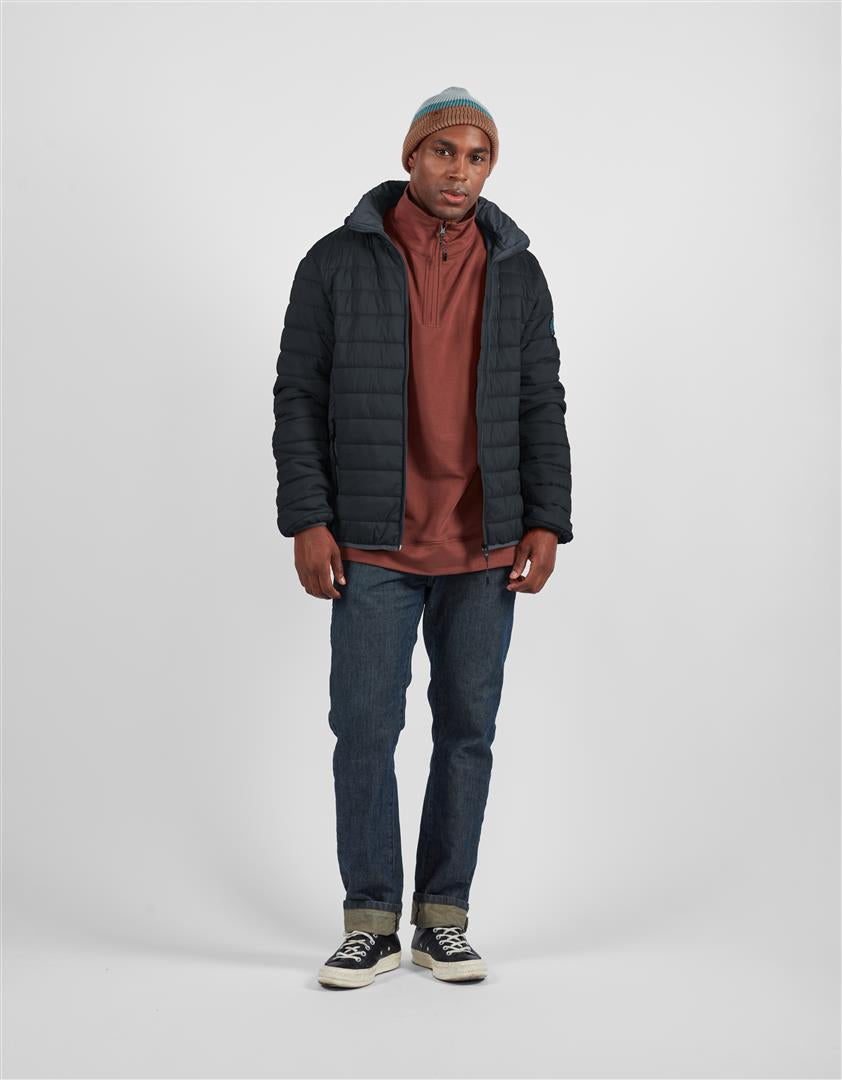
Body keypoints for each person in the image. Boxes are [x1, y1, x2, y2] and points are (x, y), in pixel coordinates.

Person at [272, 86, 573, 989]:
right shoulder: (337, 262)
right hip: (372, 541)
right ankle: (370, 921)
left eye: (478, 157)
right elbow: (298, 395)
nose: (460, 172)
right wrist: (307, 518)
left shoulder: (517, 270)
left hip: (485, 543)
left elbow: (541, 401)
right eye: (445, 152)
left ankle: (444, 918)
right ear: (412, 156)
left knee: (467, 730)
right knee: (364, 729)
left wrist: (547, 518)